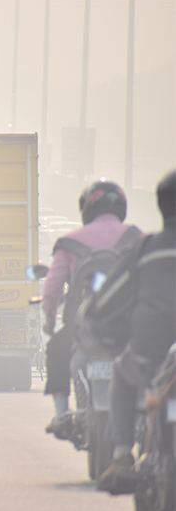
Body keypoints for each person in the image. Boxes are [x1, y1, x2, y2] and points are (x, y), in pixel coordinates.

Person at [95, 169, 176, 492]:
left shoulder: (145, 249)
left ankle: (121, 454)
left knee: (121, 372)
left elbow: (107, 301)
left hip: (149, 357)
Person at [41, 180, 140, 434]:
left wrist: (50, 324)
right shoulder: (136, 238)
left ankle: (62, 413)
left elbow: (51, 291)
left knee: (56, 349)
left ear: (86, 208)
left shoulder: (69, 243)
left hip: (81, 328)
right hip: (128, 326)